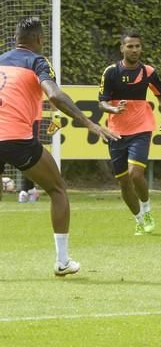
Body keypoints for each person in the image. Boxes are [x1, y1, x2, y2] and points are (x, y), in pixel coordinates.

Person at [0, 17, 119, 276]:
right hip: (16, 138)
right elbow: (54, 95)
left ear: (15, 39)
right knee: (57, 189)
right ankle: (62, 262)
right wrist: (89, 123)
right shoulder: (37, 61)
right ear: (40, 40)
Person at [98, 31, 161, 235]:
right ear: (122, 48)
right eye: (129, 46)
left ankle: (147, 209)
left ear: (141, 48)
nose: (134, 50)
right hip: (116, 132)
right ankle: (139, 219)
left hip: (141, 128)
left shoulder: (148, 72)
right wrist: (113, 109)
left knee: (135, 173)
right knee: (123, 181)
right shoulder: (111, 72)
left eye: (137, 46)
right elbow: (102, 102)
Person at [17, 121, 41, 203]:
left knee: (28, 154)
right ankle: (29, 190)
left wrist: (56, 117)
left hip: (29, 120)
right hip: (22, 120)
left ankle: (26, 190)